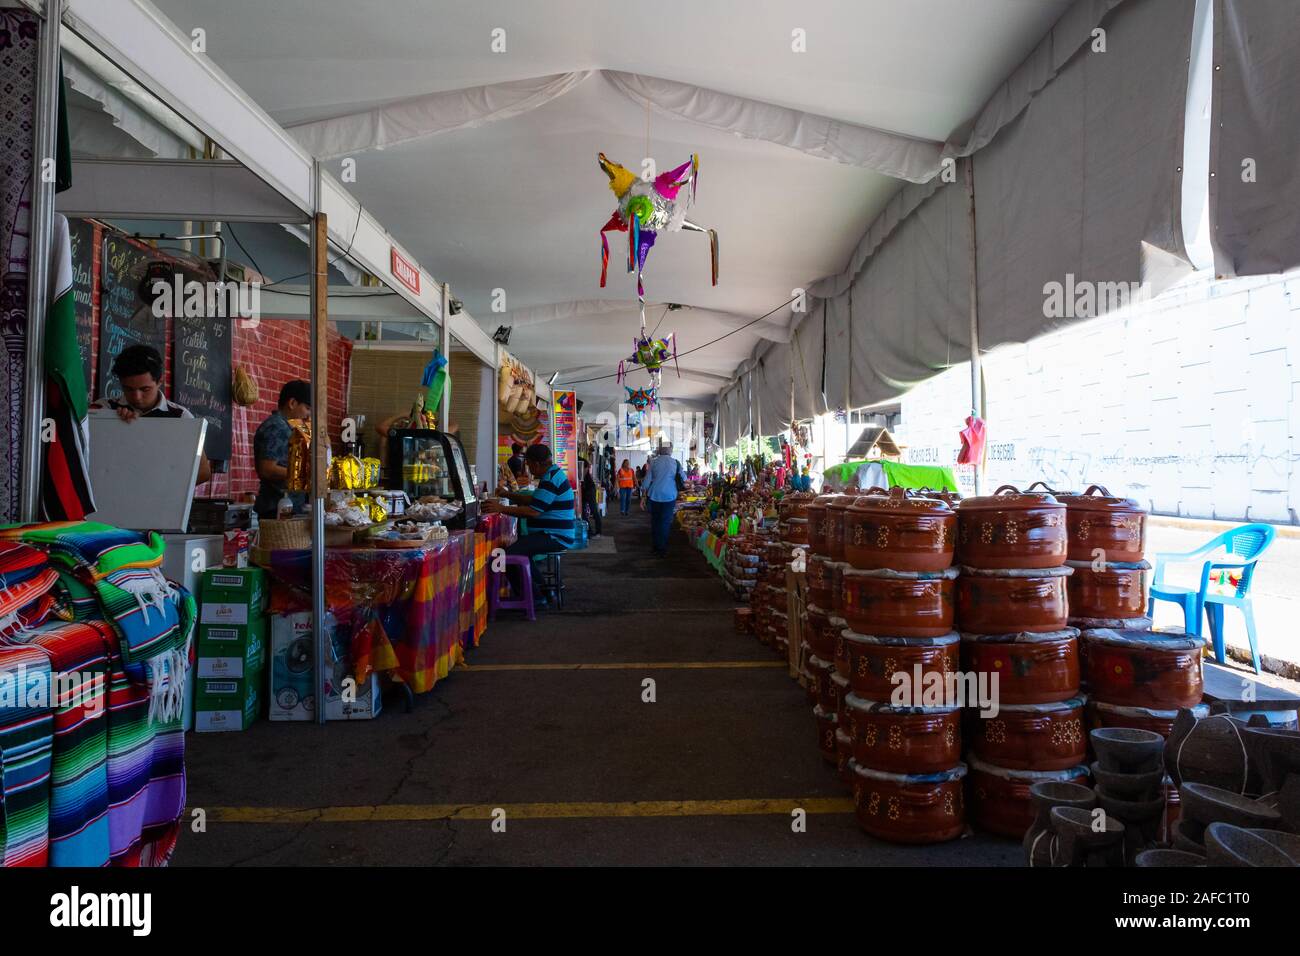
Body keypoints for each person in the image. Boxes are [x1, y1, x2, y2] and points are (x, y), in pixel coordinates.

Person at [97, 344, 212, 483]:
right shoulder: (104, 408)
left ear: (160, 382)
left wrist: (163, 486)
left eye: (145, 389)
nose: (137, 397)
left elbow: (203, 472)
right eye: (128, 389)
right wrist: (110, 420)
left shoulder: (181, 417)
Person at [483, 444, 574, 603]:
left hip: (555, 536)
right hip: (549, 534)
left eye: (529, 465)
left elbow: (533, 511)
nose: (528, 469)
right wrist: (508, 495)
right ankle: (543, 592)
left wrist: (501, 508)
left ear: (536, 464)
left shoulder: (551, 479)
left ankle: (534, 598)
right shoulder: (551, 475)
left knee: (509, 555)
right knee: (522, 550)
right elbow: (532, 500)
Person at [253, 380, 312, 518]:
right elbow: (267, 469)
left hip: (289, 508)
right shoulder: (276, 427)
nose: (308, 415)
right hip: (276, 510)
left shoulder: (288, 427)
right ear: (292, 403)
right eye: (307, 408)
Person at [641, 443, 683, 557]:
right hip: (669, 496)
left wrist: (643, 496)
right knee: (665, 523)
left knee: (655, 521)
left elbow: (647, 480)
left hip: (654, 495)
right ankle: (661, 549)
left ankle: (655, 547)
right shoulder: (676, 463)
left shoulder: (654, 461)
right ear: (671, 450)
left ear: (660, 449)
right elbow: (684, 479)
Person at [580, 460, 602, 538]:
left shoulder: (581, 460)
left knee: (594, 510)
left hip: (589, 489)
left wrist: (581, 474)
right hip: (583, 490)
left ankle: (598, 532)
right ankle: (589, 531)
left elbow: (587, 466)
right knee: (582, 512)